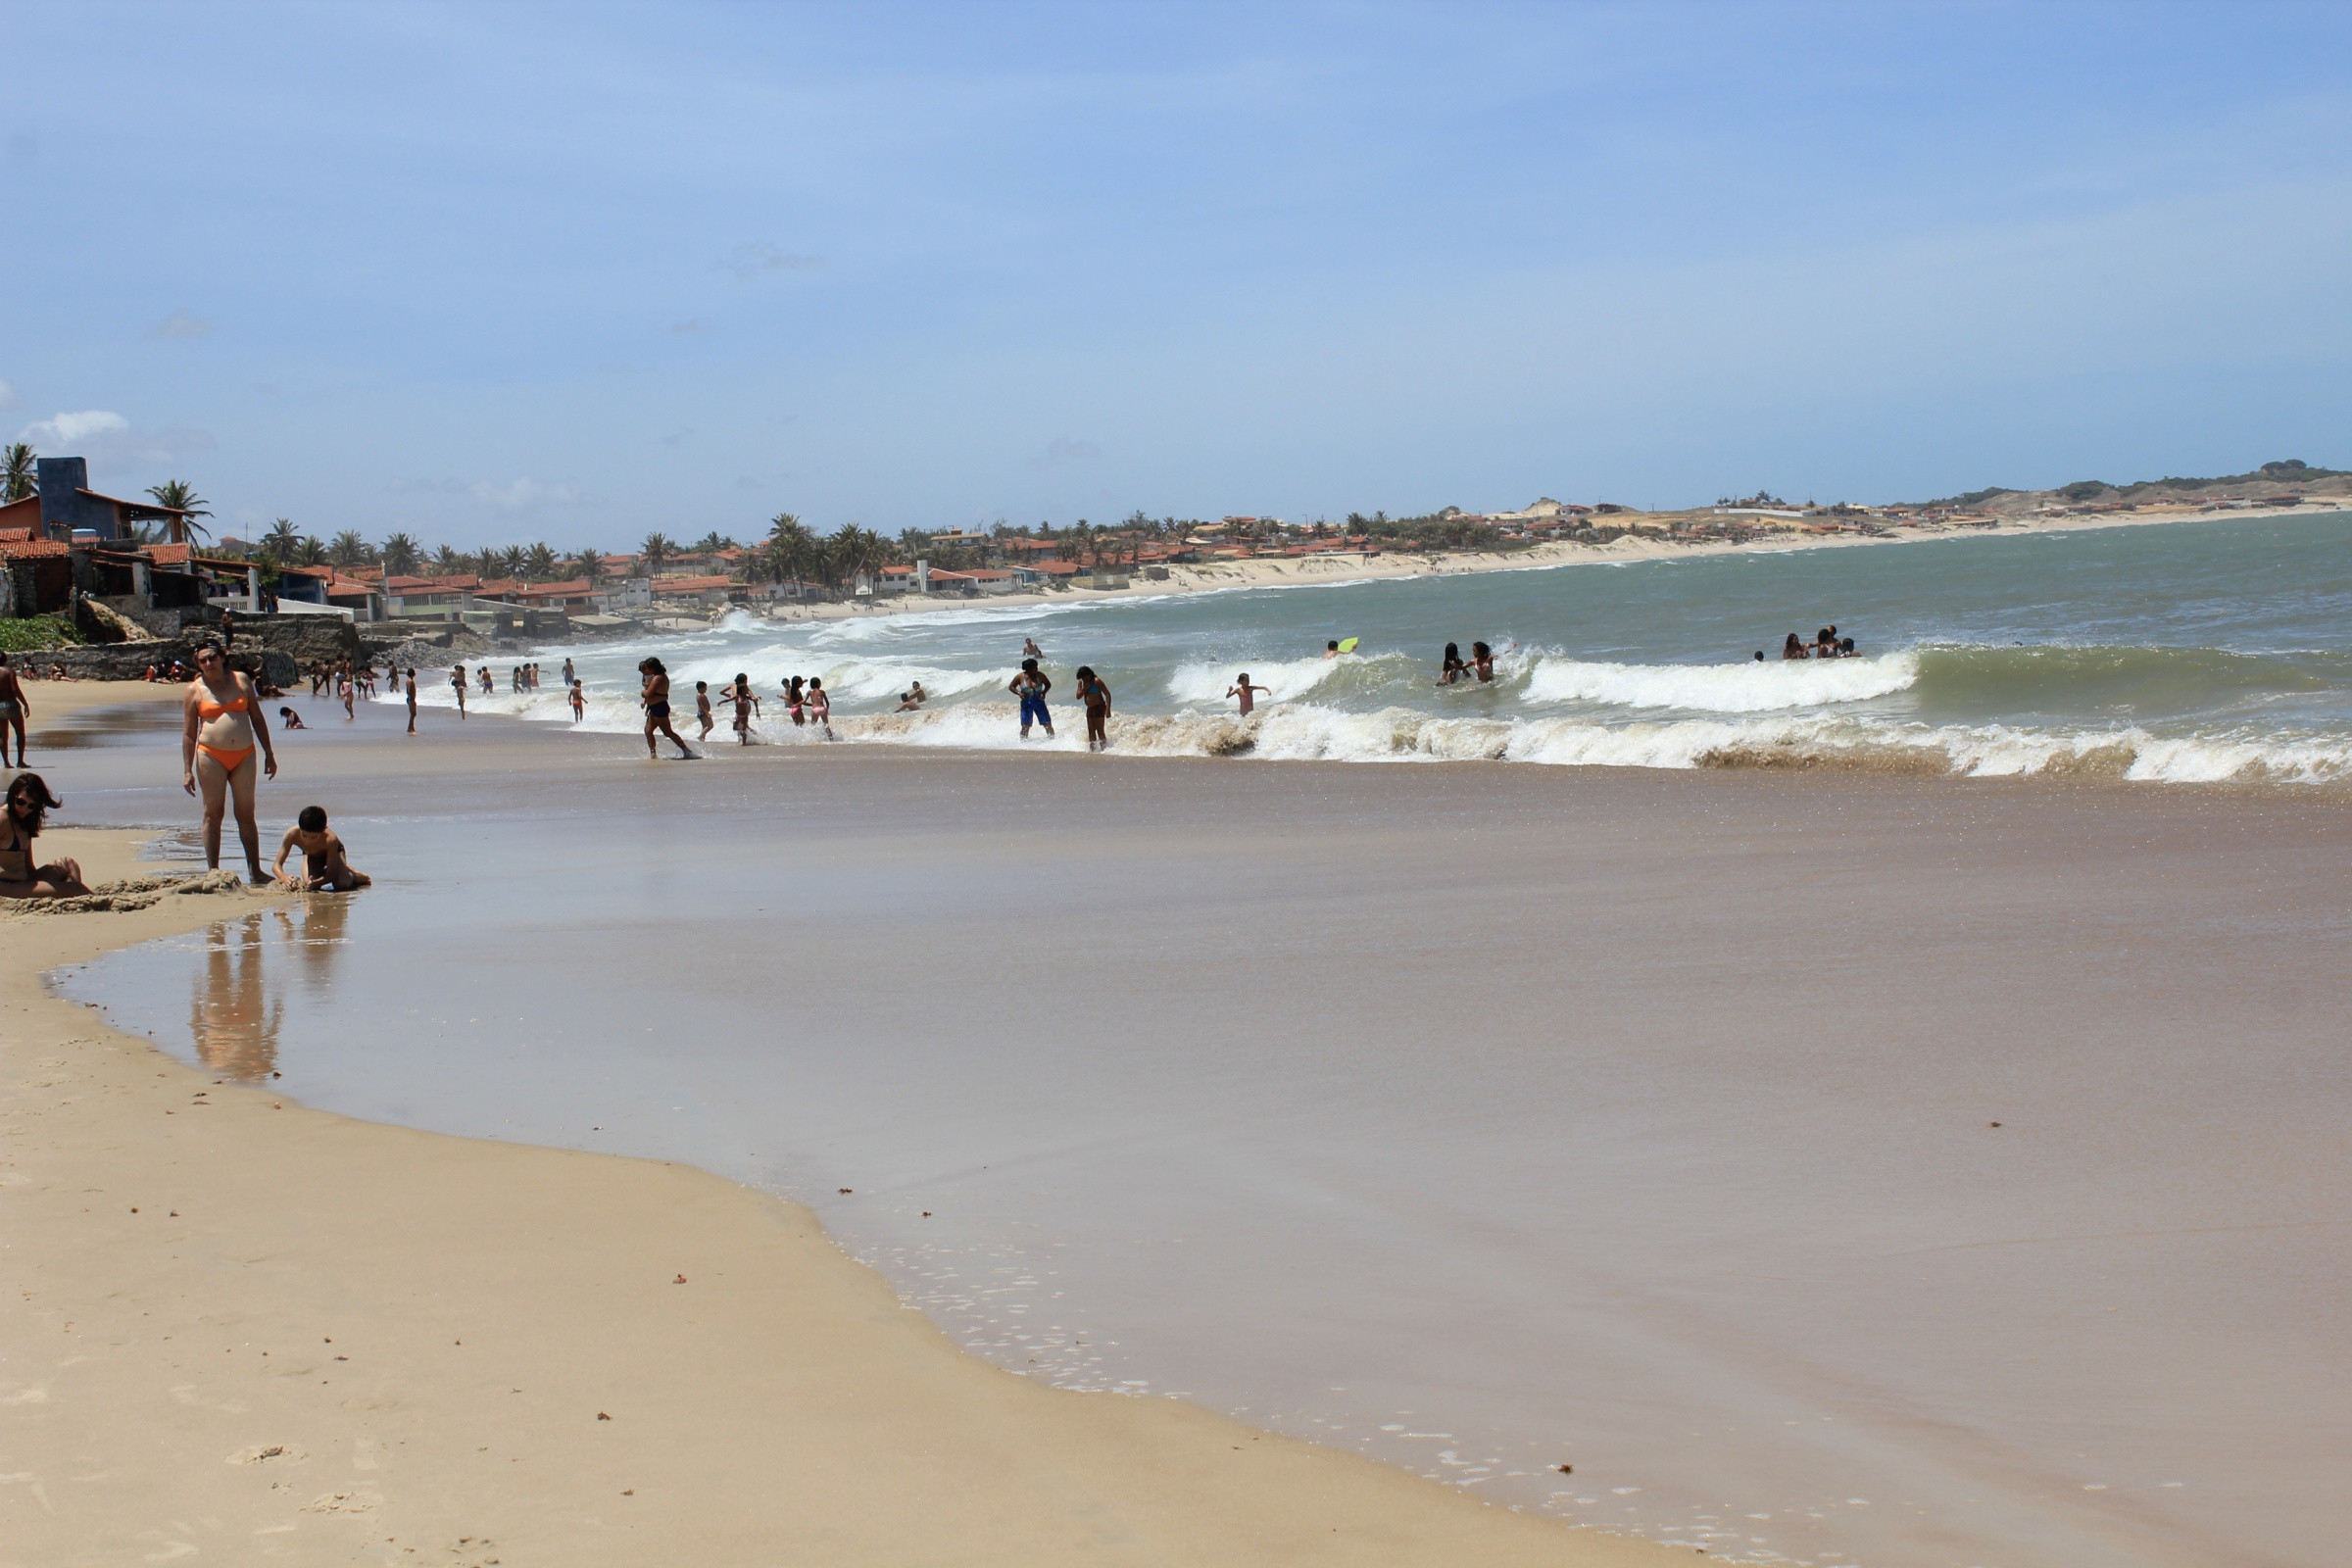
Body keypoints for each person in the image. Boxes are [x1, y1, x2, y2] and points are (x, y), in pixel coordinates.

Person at [181, 642, 278, 884]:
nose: (207, 663)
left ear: (223, 658)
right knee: (213, 814)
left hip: (245, 754)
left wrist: (269, 752)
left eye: (212, 657)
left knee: (246, 814)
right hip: (210, 755)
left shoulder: (242, 680)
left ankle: (255, 871)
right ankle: (213, 872)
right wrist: (186, 770)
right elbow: (189, 733)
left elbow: (257, 717)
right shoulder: (194, 690)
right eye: (202, 660)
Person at [0, 772, 88, 899]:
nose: (24, 808)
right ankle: (80, 898)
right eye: (20, 802)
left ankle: (71, 901)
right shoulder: (3, 818)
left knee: (68, 864)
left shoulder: (25, 821)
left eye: (31, 805)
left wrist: (44, 884)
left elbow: (29, 867)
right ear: (12, 795)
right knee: (76, 888)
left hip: (22, 881)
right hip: (6, 886)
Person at [271, 805, 370, 892]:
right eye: (304, 835)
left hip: (334, 853)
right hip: (311, 855)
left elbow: (330, 874)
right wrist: (284, 877)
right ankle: (342, 869)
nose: (308, 841)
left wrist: (317, 882)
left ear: (323, 830)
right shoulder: (291, 834)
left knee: (341, 884)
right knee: (308, 884)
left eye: (314, 837)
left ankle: (353, 874)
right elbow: (276, 865)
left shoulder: (331, 839)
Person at [640, 657, 695, 759]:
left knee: (668, 732)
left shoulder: (658, 678)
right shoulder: (658, 676)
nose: (646, 670)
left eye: (647, 668)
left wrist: (642, 693)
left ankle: (687, 751)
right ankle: (653, 754)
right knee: (648, 730)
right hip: (654, 708)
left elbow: (648, 694)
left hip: (660, 707)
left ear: (653, 668)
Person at [1009, 659, 1054, 739]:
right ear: (1029, 668)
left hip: (1039, 702)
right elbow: (1011, 687)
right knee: (1025, 726)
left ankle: (1052, 741)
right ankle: (1023, 744)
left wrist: (1043, 693)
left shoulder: (1040, 675)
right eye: (1035, 667)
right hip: (1026, 703)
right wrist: (1019, 693)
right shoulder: (1020, 677)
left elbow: (1048, 684)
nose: (1037, 668)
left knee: (1047, 724)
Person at [0, 652, 29, 768]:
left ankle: (6, 762)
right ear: (5, 660)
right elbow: (14, 689)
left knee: (2, 736)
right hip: (10, 705)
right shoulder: (9, 671)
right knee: (20, 733)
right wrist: (25, 703)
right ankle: (20, 761)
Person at [1074, 665, 1111, 751]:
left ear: (1089, 675)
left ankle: (1104, 750)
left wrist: (1108, 709)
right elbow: (1078, 696)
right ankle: (1093, 750)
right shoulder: (1083, 683)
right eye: (1081, 678)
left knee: (1100, 730)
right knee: (1091, 730)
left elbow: (1107, 694)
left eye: (1084, 677)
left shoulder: (1096, 681)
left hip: (1099, 707)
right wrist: (1083, 687)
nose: (1083, 679)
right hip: (1090, 708)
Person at [731, 673, 755, 745]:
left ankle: (742, 740)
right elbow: (753, 697)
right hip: (744, 706)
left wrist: (727, 695)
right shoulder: (743, 687)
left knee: (742, 725)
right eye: (746, 680)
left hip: (743, 706)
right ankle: (754, 735)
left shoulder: (733, 685)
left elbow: (721, 692)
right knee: (743, 725)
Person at [405, 668, 418, 734]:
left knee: (413, 714)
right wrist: (412, 699)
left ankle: (411, 728)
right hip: (411, 699)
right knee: (413, 714)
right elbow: (409, 691)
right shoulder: (411, 681)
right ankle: (411, 729)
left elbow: (407, 691)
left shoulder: (408, 680)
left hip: (410, 698)